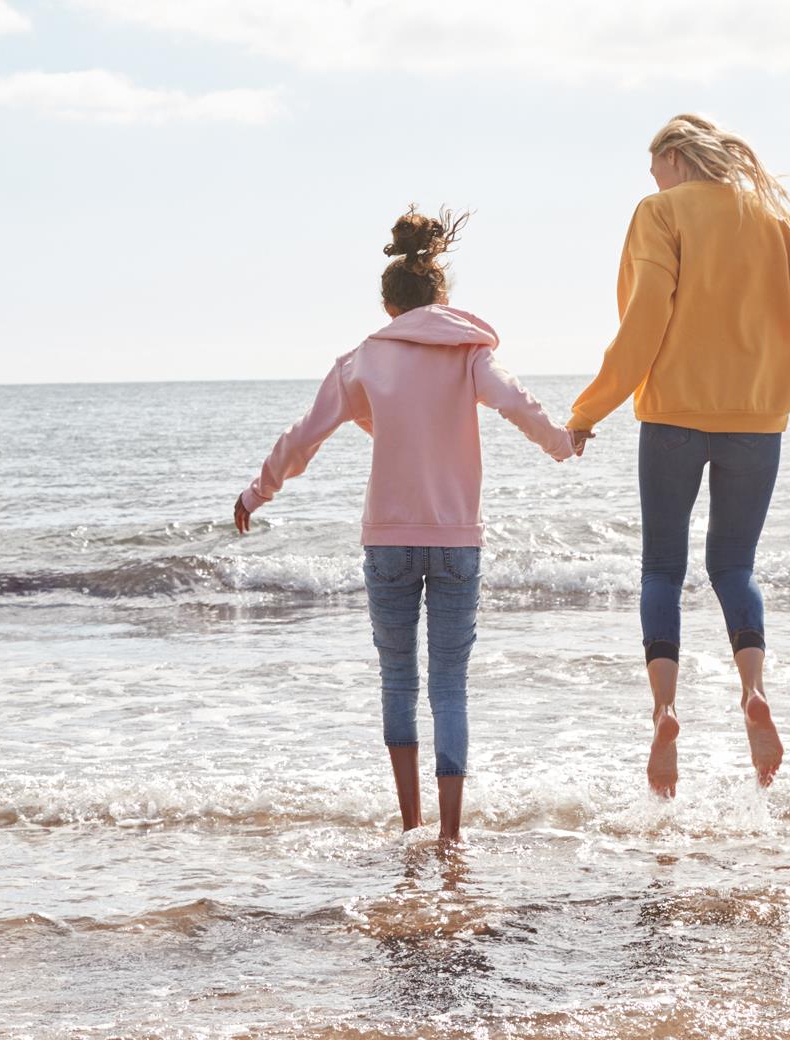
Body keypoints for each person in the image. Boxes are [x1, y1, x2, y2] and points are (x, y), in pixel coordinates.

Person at [233, 207, 578, 842]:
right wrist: (562, 442)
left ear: (390, 306)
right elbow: (514, 402)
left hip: (387, 542)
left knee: (398, 680)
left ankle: (410, 826)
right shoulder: (470, 352)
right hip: (455, 543)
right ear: (440, 298)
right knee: (449, 687)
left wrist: (258, 492)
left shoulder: (364, 358)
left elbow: (303, 437)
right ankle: (450, 836)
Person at [568, 114, 790, 799]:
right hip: (758, 418)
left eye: (654, 163)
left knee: (662, 569)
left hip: (672, 414)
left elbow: (645, 318)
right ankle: (752, 690)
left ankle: (665, 712)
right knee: (734, 565)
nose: (651, 177)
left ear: (674, 157)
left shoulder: (659, 212)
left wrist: (589, 410)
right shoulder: (769, 217)